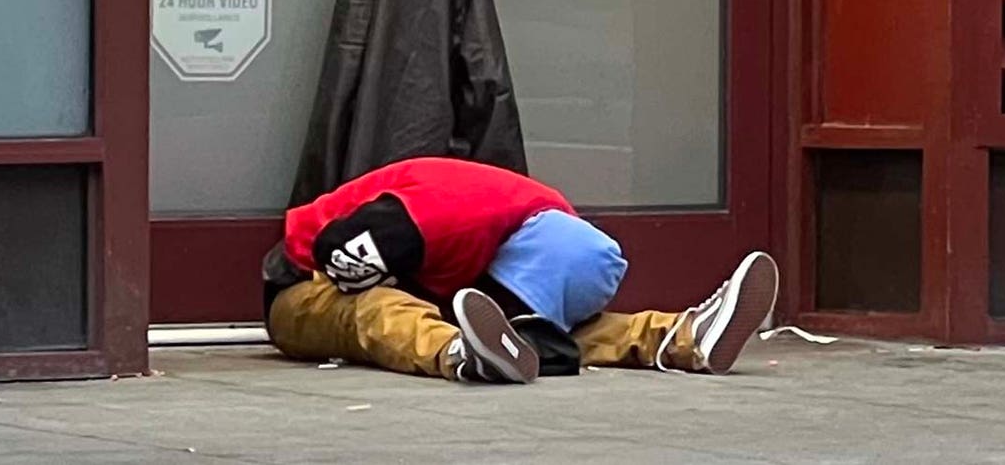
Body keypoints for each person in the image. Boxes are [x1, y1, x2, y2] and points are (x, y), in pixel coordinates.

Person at [264, 157, 779, 383]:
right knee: (378, 308)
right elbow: (333, 248)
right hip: (304, 285)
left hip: (445, 280)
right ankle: (458, 354)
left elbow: (547, 293)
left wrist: (533, 319)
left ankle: (682, 337)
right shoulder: (427, 223)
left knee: (561, 326)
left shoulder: (555, 222)